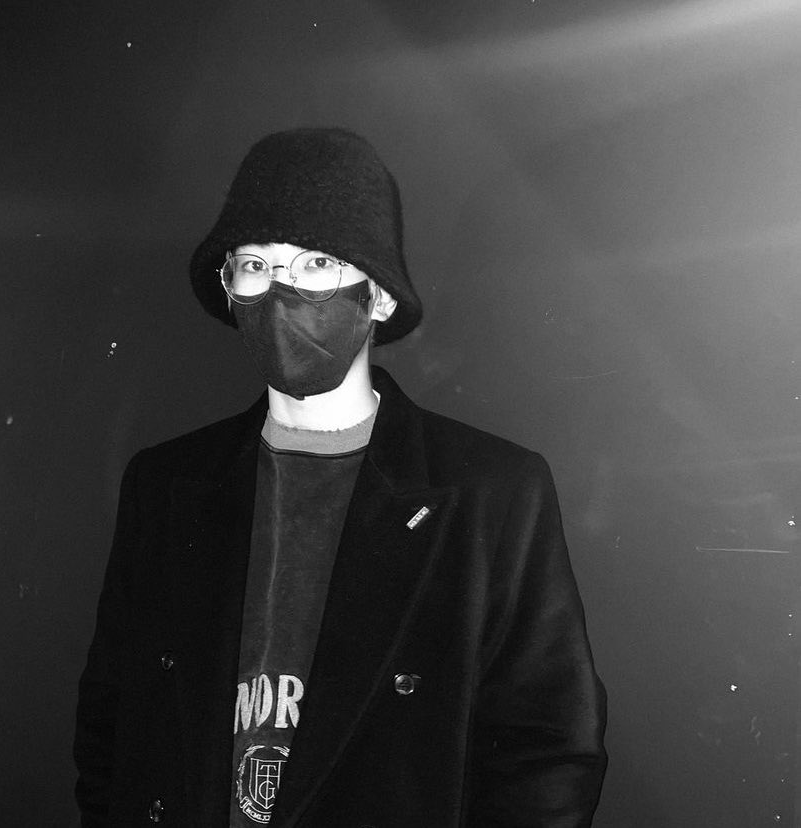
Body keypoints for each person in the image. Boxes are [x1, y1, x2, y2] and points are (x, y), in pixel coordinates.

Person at [74, 127, 607, 828]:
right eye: (255, 265)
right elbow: (112, 725)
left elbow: (549, 750)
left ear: (378, 296)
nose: (281, 291)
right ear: (229, 289)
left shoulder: (491, 494)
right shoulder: (166, 486)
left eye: (318, 263)